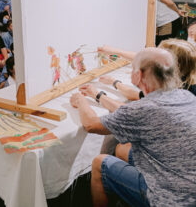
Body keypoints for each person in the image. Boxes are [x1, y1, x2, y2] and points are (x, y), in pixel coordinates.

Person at [70, 48, 196, 206]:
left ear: (139, 76)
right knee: (122, 149)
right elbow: (133, 114)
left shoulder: (141, 110)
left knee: (99, 163)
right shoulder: (186, 96)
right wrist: (98, 95)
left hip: (169, 199)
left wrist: (80, 101)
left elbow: (91, 125)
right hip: (188, 183)